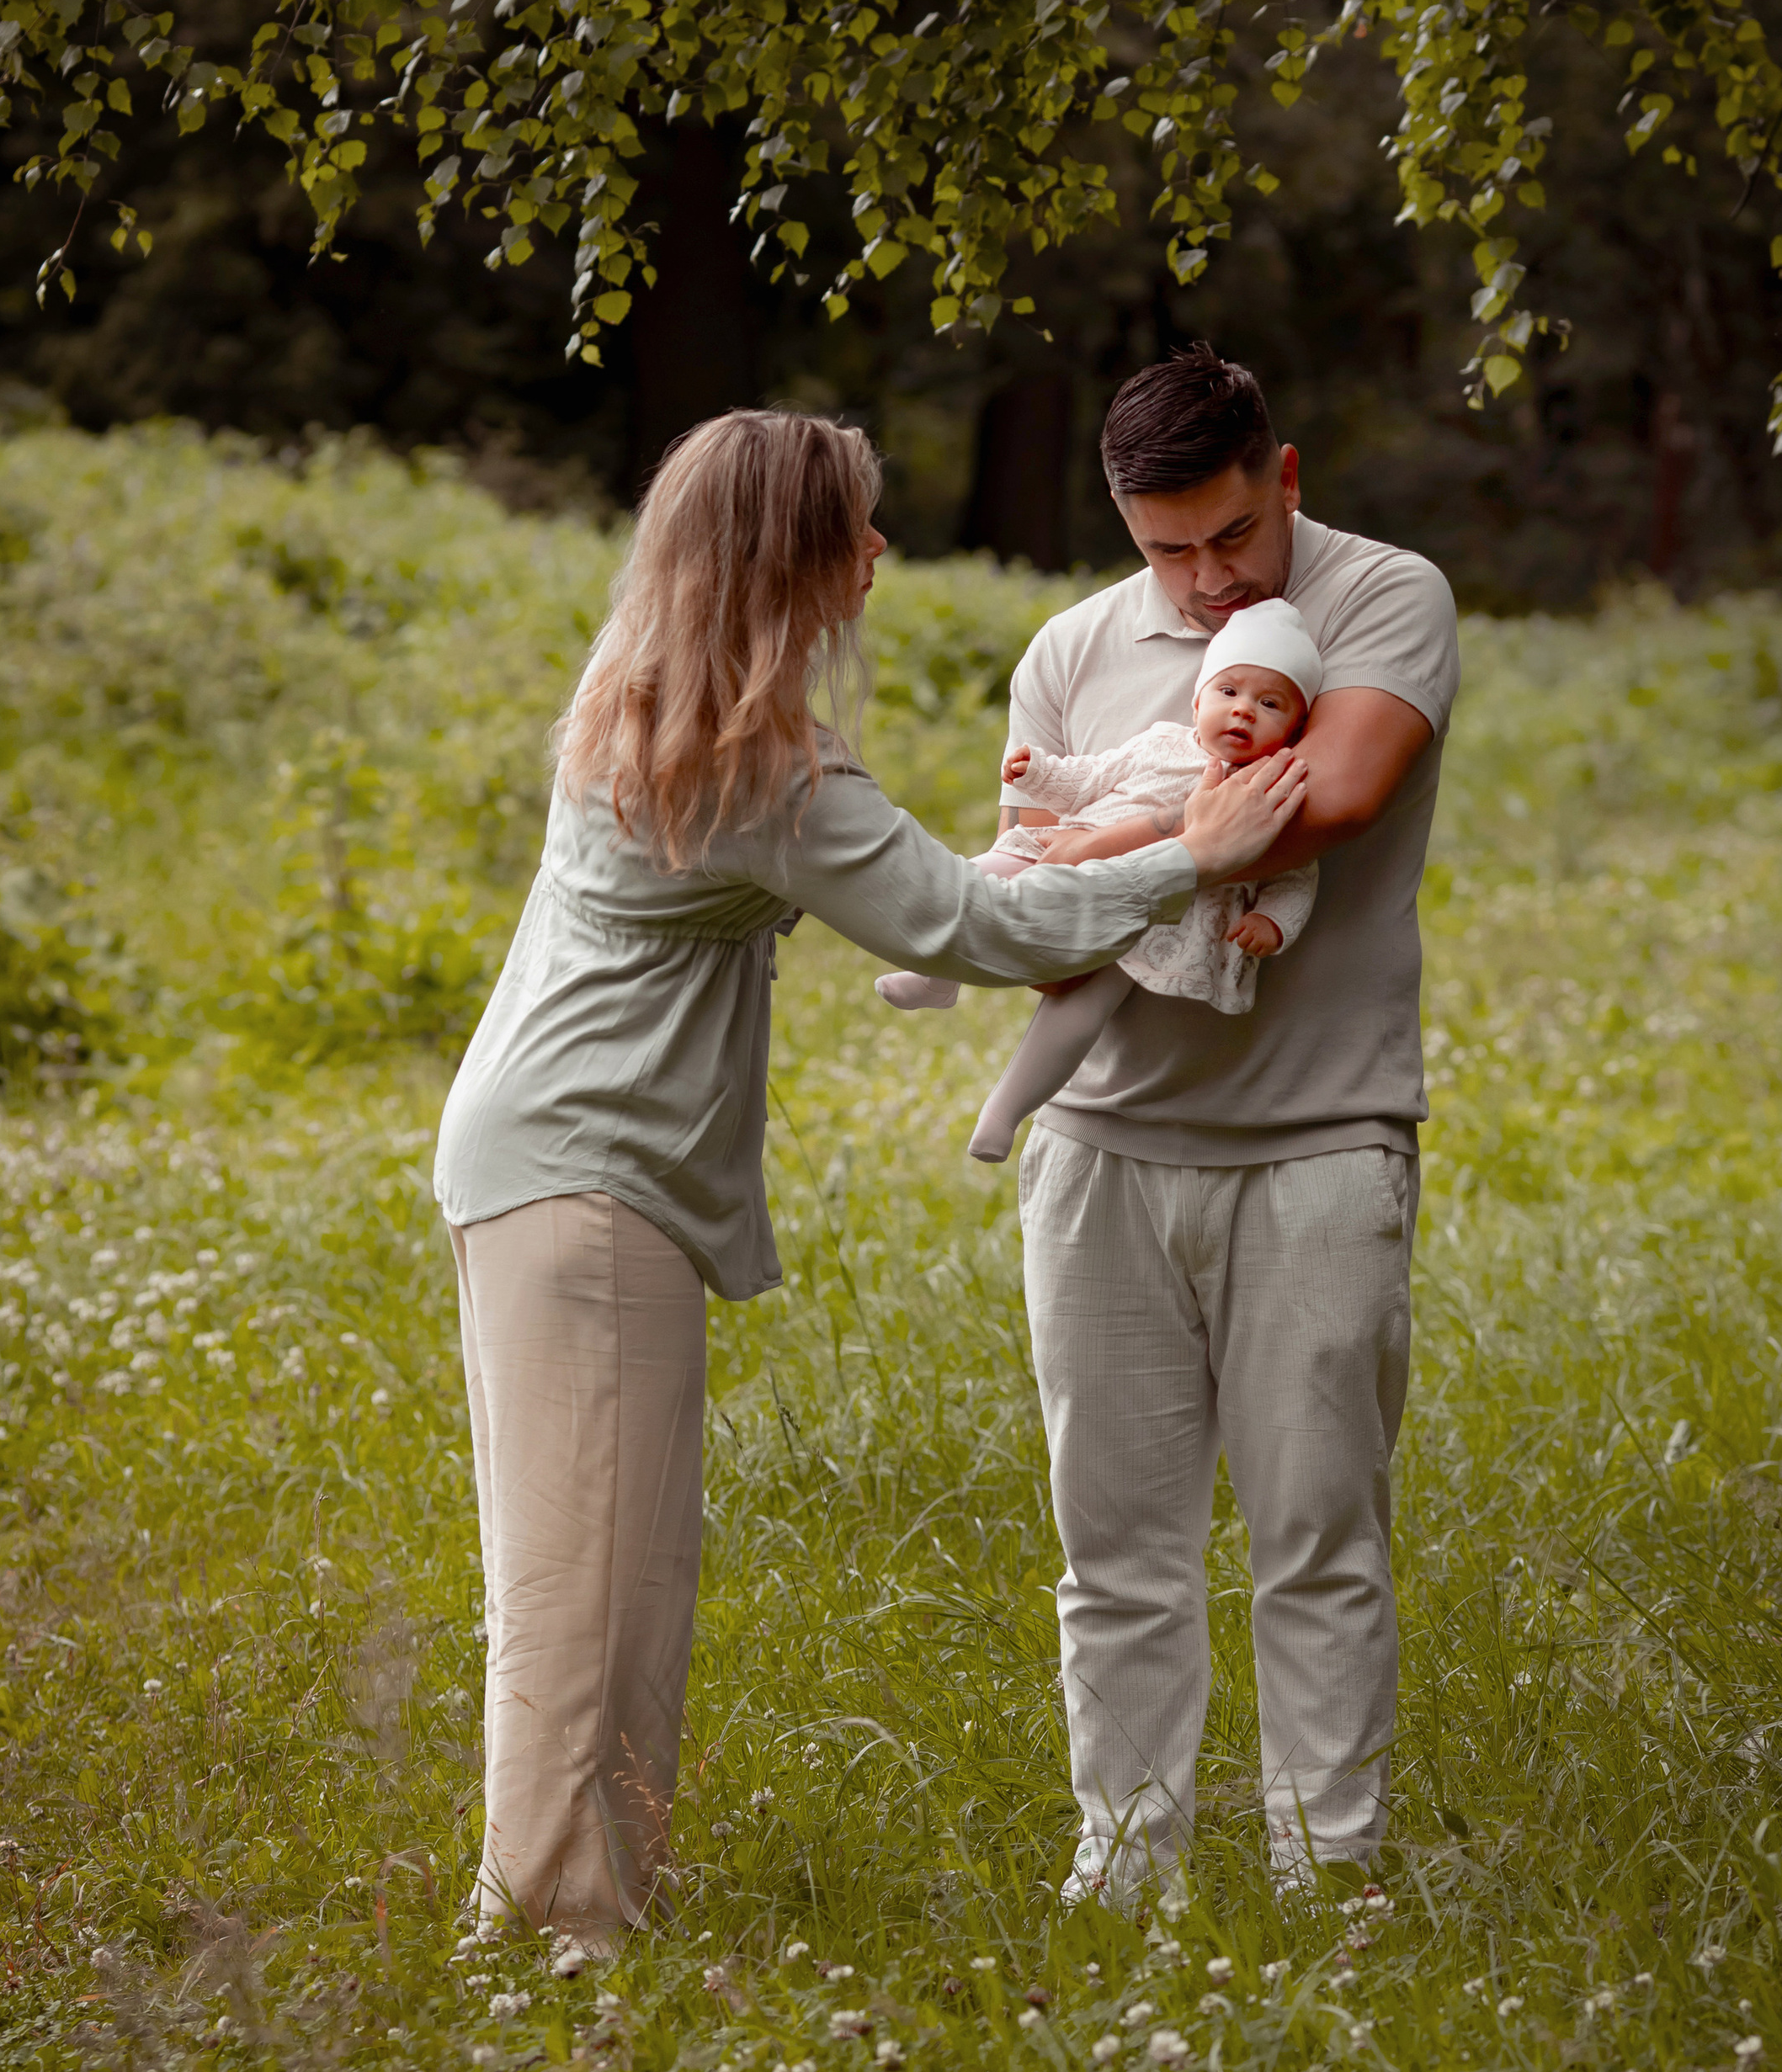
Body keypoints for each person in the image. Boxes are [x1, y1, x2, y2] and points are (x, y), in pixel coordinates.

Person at [429, 406, 1307, 1966]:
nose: (881, 553)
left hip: (543, 1162)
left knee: (598, 1562)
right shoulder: (757, 764)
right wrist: (1195, 843)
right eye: (858, 528)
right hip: (585, 1184)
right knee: (591, 1582)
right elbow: (968, 929)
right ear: (792, 555)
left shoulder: (652, 694)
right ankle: (558, 1943)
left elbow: (955, 899)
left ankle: (584, 1896)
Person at [1003, 343, 1460, 1906]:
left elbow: (1325, 802)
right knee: (1112, 1552)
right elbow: (1038, 931)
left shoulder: (1388, 599)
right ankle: (1122, 1879)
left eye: (1228, 538)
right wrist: (1155, 850)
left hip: (1323, 1143)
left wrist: (1120, 848)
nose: (1201, 583)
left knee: (1319, 1538)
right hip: (1101, 1151)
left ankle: (1333, 1881)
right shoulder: (1070, 650)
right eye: (1163, 550)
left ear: (1286, 474)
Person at [875, 598, 1324, 1163]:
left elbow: (1297, 871)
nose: (1242, 713)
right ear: (1198, 700)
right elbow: (1090, 777)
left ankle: (1005, 1111)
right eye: (1228, 692)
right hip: (1068, 849)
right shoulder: (1159, 742)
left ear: (1296, 726)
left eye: (1269, 703)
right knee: (979, 878)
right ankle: (936, 972)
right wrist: (1039, 771)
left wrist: (1270, 921)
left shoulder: (1267, 788)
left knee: (1084, 1005)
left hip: (1154, 914)